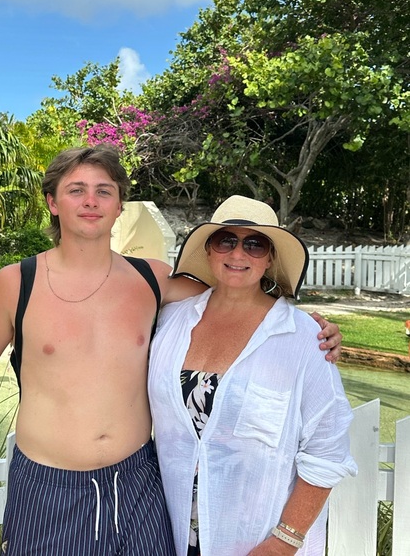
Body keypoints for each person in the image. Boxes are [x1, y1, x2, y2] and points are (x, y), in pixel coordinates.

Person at [0, 148, 342, 555]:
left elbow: (239, 297)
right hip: (49, 487)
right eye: (76, 190)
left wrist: (309, 328)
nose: (91, 201)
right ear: (53, 202)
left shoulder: (154, 279)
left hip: (138, 483)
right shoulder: (16, 283)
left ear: (119, 206)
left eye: (104, 191)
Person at [148, 195, 357, 556]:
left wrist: (284, 542)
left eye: (255, 244)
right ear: (209, 250)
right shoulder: (171, 321)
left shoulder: (303, 338)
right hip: (168, 534)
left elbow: (327, 450)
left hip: (255, 539)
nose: (238, 253)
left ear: (270, 257)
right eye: (225, 240)